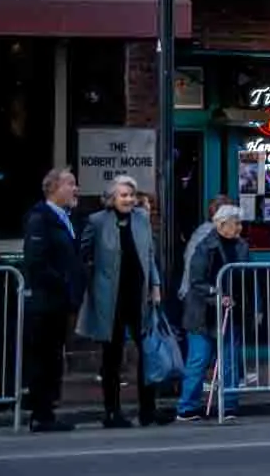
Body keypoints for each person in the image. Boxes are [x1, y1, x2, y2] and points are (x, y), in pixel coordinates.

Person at [78, 174, 167, 428]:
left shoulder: (141, 219)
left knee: (148, 352)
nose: (128, 200)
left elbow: (149, 255)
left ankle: (148, 409)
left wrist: (156, 285)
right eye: (123, 195)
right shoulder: (96, 221)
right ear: (111, 198)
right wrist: (93, 282)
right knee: (112, 356)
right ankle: (112, 412)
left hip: (138, 296)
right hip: (110, 299)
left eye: (131, 195)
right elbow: (84, 254)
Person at [20, 168, 84, 433]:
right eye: (70, 184)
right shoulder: (40, 218)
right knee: (43, 355)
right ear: (53, 188)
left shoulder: (65, 217)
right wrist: (64, 282)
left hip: (59, 302)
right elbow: (37, 261)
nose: (75, 189)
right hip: (45, 302)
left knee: (53, 354)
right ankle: (40, 413)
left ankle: (48, 409)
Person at [179, 203, 248, 420]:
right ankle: (187, 406)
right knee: (198, 360)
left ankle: (229, 405)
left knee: (229, 361)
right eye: (235, 223)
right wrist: (216, 294)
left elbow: (246, 277)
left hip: (231, 311)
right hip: (202, 313)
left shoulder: (241, 246)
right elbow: (196, 282)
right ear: (221, 224)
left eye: (240, 223)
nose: (239, 228)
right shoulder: (203, 247)